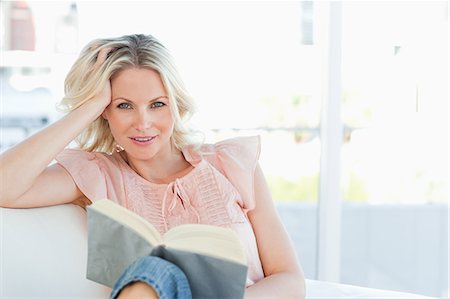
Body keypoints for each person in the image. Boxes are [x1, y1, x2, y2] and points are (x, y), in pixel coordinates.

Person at [0, 34, 305, 299]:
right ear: (106, 112)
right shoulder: (98, 174)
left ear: (176, 104)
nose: (142, 124)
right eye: (124, 105)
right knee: (152, 270)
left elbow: (289, 280)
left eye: (157, 104)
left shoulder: (232, 165)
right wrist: (89, 106)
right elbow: (5, 186)